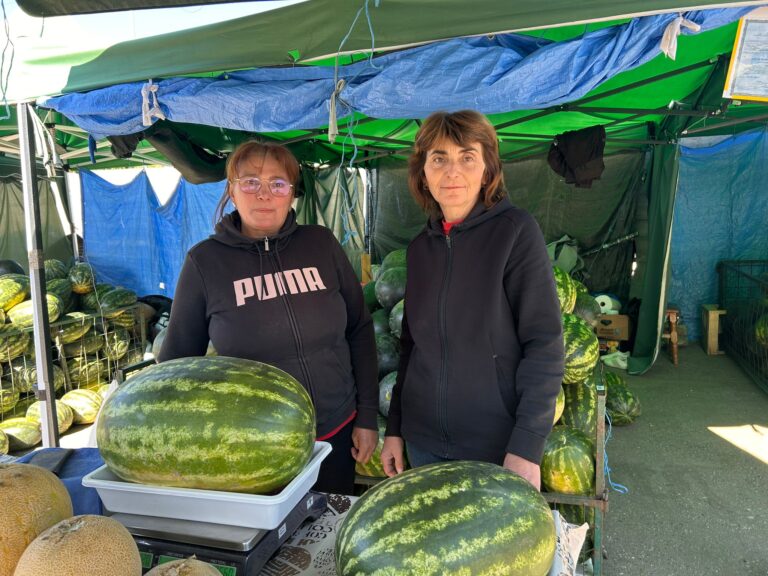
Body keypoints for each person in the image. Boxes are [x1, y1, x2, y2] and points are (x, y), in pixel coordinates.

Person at [159, 141, 378, 495]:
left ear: (291, 193)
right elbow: (174, 369)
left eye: (278, 183)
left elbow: (360, 330)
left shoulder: (321, 244)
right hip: (252, 451)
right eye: (250, 182)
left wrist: (367, 415)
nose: (264, 194)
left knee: (327, 536)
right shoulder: (205, 263)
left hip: (336, 434)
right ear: (231, 190)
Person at [380, 110, 564, 489]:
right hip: (423, 441)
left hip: (495, 444)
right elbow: (410, 347)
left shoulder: (516, 232)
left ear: (487, 169)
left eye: (467, 157)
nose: (452, 171)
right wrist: (396, 429)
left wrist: (527, 446)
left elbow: (544, 343)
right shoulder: (418, 249)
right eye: (438, 158)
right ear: (423, 173)